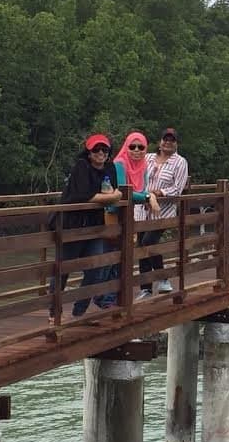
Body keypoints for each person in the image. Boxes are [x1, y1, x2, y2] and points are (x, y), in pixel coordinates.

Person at [50, 133, 121, 320]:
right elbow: (85, 195)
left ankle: (79, 312)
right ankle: (53, 314)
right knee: (63, 269)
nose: (100, 153)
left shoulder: (110, 167)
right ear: (88, 152)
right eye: (96, 149)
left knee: (96, 267)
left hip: (95, 225)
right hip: (71, 226)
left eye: (104, 149)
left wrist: (111, 195)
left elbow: (112, 188)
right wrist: (113, 197)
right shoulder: (81, 166)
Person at [98, 131, 160, 307]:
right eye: (132, 146)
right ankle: (103, 297)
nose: (137, 150)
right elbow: (126, 192)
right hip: (113, 214)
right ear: (126, 146)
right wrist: (148, 197)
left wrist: (147, 195)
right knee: (110, 257)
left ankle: (110, 299)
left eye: (141, 147)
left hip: (128, 215)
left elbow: (141, 191)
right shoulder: (120, 163)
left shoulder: (143, 167)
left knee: (122, 257)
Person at [137, 127, 189, 299]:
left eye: (172, 140)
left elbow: (177, 188)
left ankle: (163, 279)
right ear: (160, 142)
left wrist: (158, 193)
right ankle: (145, 288)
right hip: (142, 210)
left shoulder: (180, 162)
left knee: (148, 242)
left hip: (163, 211)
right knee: (140, 246)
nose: (168, 142)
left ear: (176, 144)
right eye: (165, 139)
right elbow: (136, 175)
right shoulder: (148, 157)